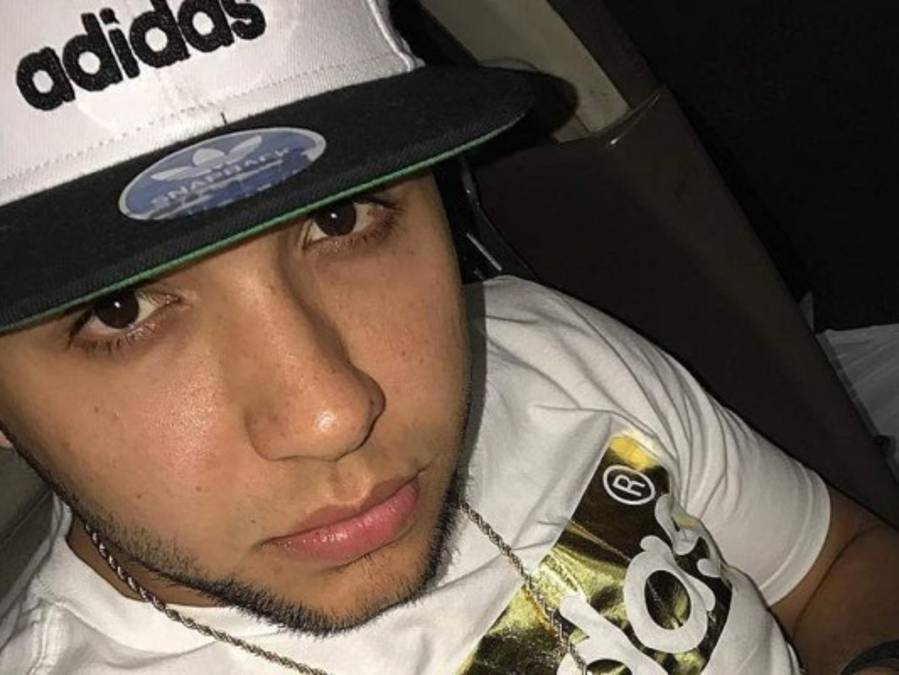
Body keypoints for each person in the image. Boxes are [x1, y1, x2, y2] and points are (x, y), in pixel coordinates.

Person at [0, 1, 897, 673]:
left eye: (343, 217)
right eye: (120, 309)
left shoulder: (538, 347)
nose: (331, 413)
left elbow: (836, 568)